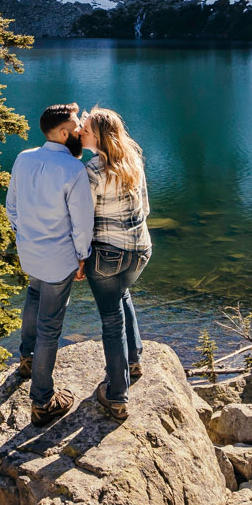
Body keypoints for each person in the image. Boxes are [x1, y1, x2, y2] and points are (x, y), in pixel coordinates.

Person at [4, 102, 94, 423]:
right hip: (59, 259)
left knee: (33, 296)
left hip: (30, 252)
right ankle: (42, 401)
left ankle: (27, 361)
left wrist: (24, 235)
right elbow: (82, 223)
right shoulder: (73, 170)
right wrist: (83, 256)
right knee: (50, 325)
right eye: (76, 126)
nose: (81, 132)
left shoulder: (23, 158)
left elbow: (11, 207)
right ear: (63, 133)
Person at [80, 106, 152, 420]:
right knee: (122, 295)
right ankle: (133, 361)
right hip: (141, 250)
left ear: (97, 137)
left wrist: (81, 258)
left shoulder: (92, 171)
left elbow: (84, 220)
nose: (80, 132)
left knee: (111, 321)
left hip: (108, 254)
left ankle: (117, 395)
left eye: (85, 129)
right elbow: (145, 208)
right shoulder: (133, 161)